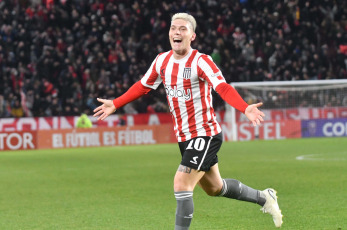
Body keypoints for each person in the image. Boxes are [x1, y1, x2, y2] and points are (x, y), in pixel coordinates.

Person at [93, 13, 283, 229]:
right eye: (174, 28)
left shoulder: (201, 61)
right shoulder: (161, 61)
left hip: (205, 133)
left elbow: (223, 87)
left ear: (192, 36)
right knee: (215, 188)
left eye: (183, 29)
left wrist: (244, 107)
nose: (177, 32)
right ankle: (265, 197)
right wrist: (116, 103)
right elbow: (143, 85)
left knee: (181, 182)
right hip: (184, 138)